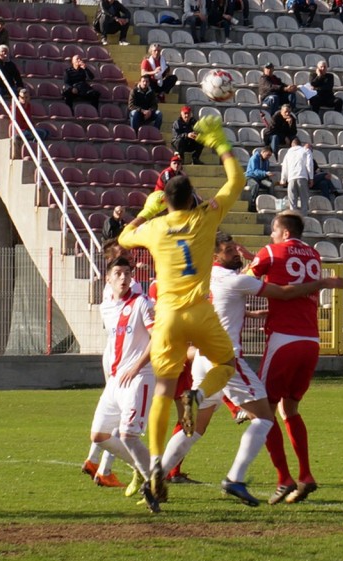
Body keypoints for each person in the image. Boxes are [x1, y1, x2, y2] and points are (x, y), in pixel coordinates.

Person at [158, 232, 343, 507]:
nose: (235, 253)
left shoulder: (203, 278)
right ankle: (235, 478)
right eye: (229, 251)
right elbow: (285, 292)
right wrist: (322, 283)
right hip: (226, 359)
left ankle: (156, 477)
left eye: (234, 248)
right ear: (215, 256)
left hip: (202, 357)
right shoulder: (235, 280)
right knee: (264, 417)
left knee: (196, 428)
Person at [117, 115, 244, 512]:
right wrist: (219, 143)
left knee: (162, 390)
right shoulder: (205, 216)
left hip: (168, 317)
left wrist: (147, 209)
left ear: (166, 201)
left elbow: (123, 237)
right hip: (200, 312)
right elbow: (236, 181)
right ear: (191, 199)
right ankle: (199, 395)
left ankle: (155, 463)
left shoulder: (156, 229)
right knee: (225, 363)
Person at [248, 213, 328, 504]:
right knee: (290, 408)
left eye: (273, 231)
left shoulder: (271, 252)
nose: (271, 236)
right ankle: (305, 474)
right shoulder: (314, 255)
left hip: (283, 339)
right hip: (311, 340)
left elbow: (244, 282)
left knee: (263, 411)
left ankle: (283, 478)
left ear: (283, 232)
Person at [88, 257, 156, 497]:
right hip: (115, 379)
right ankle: (143, 467)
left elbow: (157, 338)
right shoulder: (105, 308)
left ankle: (154, 484)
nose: (123, 277)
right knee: (99, 436)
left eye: (127, 273)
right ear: (108, 279)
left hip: (138, 378)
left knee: (128, 435)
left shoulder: (141, 303)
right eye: (118, 273)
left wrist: (136, 366)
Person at [281, 139, 314, 216]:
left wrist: (283, 180)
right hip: (302, 177)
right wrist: (311, 178)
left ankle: (293, 220)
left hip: (291, 179)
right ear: (300, 144)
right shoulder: (306, 150)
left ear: (292, 145)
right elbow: (309, 165)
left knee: (292, 203)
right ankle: (304, 219)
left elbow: (284, 167)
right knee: (304, 202)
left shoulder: (288, 153)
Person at [0, 45, 23, 115]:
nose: (4, 53)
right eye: (2, 51)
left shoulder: (11, 64)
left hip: (10, 86)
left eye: (6, 51)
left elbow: (17, 76)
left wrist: (20, 86)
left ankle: (18, 113)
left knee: (19, 93)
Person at [246, 146, 276, 211]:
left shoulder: (267, 161)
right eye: (268, 155)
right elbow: (255, 171)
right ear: (263, 152)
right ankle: (252, 205)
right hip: (251, 177)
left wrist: (268, 176)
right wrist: (265, 173)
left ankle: (271, 202)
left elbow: (266, 172)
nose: (268, 157)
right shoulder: (254, 158)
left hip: (261, 179)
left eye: (270, 155)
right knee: (255, 185)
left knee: (270, 184)